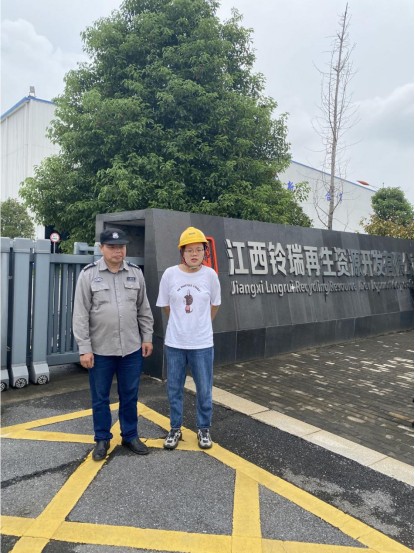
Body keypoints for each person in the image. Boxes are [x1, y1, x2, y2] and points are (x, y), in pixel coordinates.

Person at [73, 228, 154, 461]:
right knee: (100, 397)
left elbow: (143, 309)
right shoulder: (88, 275)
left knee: (130, 394)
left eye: (121, 247)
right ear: (102, 248)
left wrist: (147, 337)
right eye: (112, 247)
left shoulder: (135, 273)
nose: (117, 251)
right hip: (100, 350)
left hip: (131, 348)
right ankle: (102, 438)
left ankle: (130, 435)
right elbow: (80, 314)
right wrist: (84, 348)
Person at [156, 226, 221, 450]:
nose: (194, 254)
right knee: (174, 389)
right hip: (175, 343)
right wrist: (181, 324)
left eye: (199, 250)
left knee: (204, 389)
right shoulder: (170, 274)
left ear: (205, 252)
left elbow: (215, 305)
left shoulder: (210, 275)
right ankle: (175, 428)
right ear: (182, 252)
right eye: (189, 250)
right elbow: (166, 306)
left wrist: (200, 324)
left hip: (202, 344)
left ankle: (204, 428)